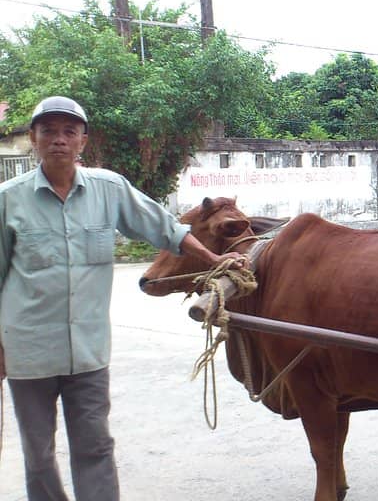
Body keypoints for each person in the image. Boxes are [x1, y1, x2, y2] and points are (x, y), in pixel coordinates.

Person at [0, 96, 246, 501]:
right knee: (38, 455)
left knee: (95, 448)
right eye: (49, 131)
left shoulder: (109, 189)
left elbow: (166, 228)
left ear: (82, 141)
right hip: (29, 352)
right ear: (33, 138)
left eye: (69, 132)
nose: (59, 139)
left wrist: (215, 258)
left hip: (89, 353)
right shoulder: (8, 199)